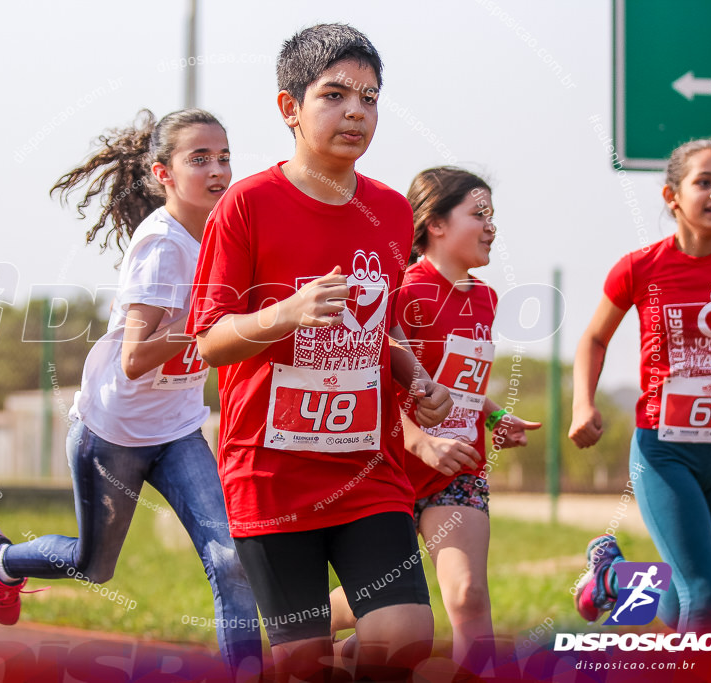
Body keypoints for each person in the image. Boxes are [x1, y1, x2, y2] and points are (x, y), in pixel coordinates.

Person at [190, 23, 454, 682]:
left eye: (369, 97)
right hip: (271, 476)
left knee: (403, 638)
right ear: (290, 107)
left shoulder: (393, 212)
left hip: (368, 471)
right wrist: (286, 313)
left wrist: (415, 374)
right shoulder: (246, 206)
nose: (356, 111)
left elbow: (380, 326)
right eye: (335, 95)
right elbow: (210, 340)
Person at [0, 109, 262, 678]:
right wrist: (208, 326)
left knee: (232, 563)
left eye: (224, 156)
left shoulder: (226, 235)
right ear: (163, 174)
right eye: (198, 158)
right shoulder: (162, 246)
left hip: (176, 427)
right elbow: (134, 358)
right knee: (93, 565)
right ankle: (0, 559)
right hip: (114, 431)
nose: (218, 169)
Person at [327, 168, 540, 672]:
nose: (491, 227)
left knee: (467, 595)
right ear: (436, 224)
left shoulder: (486, 300)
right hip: (390, 471)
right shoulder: (401, 291)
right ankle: (310, 631)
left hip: (457, 473)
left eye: (493, 216)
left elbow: (460, 381)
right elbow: (370, 381)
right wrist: (421, 441)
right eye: (479, 214)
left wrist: (494, 416)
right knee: (378, 610)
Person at [569, 139, 711, 635]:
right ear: (672, 197)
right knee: (706, 595)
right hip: (664, 450)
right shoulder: (640, 267)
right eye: (704, 182)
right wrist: (583, 404)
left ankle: (615, 582)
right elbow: (594, 339)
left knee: (684, 596)